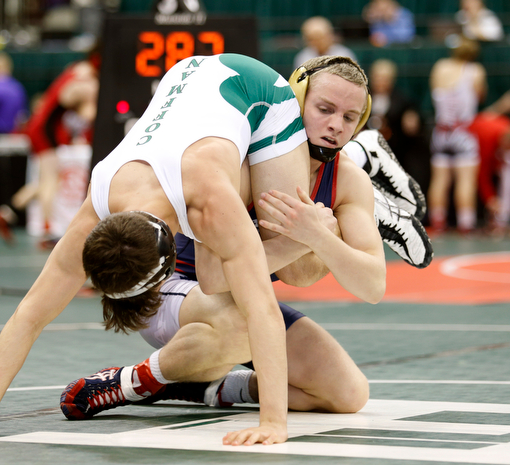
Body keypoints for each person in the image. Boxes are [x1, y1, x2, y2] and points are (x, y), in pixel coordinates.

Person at [0, 53, 316, 446]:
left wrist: (273, 423)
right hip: (186, 83)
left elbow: (263, 309)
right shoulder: (101, 198)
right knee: (224, 278)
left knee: (297, 254)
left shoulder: (208, 201)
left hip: (257, 92)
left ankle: (351, 169)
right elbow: (29, 314)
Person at [58, 57, 430, 431]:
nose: (336, 125)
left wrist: (316, 235)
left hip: (245, 299)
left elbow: (372, 286)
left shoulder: (346, 179)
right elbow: (215, 278)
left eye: (350, 118)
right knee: (246, 320)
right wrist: (309, 239)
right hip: (175, 287)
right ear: (295, 100)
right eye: (324, 109)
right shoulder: (244, 155)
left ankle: (203, 388)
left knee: (347, 395)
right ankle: (133, 383)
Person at [0, 54, 100, 246]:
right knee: (51, 181)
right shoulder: (84, 77)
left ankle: (6, 212)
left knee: (45, 180)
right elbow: (84, 111)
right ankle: (49, 231)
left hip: (42, 128)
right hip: (44, 130)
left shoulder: (73, 73)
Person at [428, 35, 487, 234]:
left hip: (441, 132)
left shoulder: (440, 67)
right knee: (465, 179)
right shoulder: (475, 70)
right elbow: (480, 95)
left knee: (440, 179)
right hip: (463, 132)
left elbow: (433, 90)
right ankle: (465, 224)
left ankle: (437, 222)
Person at [366, 59, 430, 196]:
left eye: (385, 79)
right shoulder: (363, 98)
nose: (381, 82)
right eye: (378, 78)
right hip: (369, 153)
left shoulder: (402, 100)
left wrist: (412, 119)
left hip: (396, 153)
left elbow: (415, 119)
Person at [469, 111, 510, 235]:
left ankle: (502, 217)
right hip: (463, 143)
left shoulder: (505, 128)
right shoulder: (487, 138)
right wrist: (490, 198)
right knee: (466, 179)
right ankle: (466, 224)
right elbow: (482, 173)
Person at [292, 17, 357, 71]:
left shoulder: (344, 55)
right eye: (311, 39)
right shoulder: (303, 57)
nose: (316, 42)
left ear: (330, 35)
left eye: (319, 37)